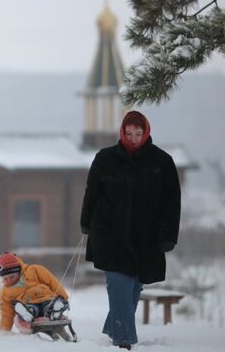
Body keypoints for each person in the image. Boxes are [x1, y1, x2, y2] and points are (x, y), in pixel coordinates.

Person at [80, 110, 181, 350]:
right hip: (108, 232)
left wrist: (169, 235)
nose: (133, 138)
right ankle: (123, 340)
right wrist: (86, 222)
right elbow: (91, 192)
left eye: (138, 133)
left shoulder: (162, 162)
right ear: (122, 133)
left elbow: (172, 201)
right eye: (128, 133)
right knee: (119, 282)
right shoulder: (105, 158)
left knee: (135, 285)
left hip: (146, 237)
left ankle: (114, 326)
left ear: (146, 132)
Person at [0, 252, 70, 332]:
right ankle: (27, 314)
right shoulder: (5, 292)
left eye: (12, 277)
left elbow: (52, 282)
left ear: (19, 269)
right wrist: (4, 330)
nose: (9, 280)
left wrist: (63, 297)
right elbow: (6, 313)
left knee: (49, 305)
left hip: (46, 298)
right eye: (5, 278)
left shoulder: (34, 270)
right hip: (29, 304)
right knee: (28, 309)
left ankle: (55, 310)